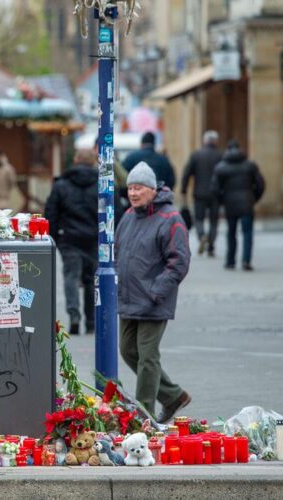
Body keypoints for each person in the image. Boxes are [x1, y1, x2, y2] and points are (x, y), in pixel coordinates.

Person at [116, 162, 191, 423]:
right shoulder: (128, 216)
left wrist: (156, 290)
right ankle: (173, 396)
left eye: (138, 188)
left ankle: (143, 414)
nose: (133, 193)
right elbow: (120, 252)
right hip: (129, 298)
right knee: (127, 351)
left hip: (153, 299)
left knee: (147, 357)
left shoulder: (170, 219)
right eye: (130, 188)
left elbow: (179, 261)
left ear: (152, 189)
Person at [44, 148, 99, 335]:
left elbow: (51, 212)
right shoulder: (103, 184)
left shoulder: (62, 184)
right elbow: (114, 211)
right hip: (94, 239)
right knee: (91, 280)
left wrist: (54, 238)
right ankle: (91, 321)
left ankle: (74, 315)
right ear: (93, 161)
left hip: (69, 238)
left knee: (71, 277)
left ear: (75, 159)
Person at [211, 140, 265, 271]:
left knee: (231, 233)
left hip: (230, 204)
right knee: (247, 233)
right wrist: (254, 198)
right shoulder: (250, 165)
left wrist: (223, 200)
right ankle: (246, 260)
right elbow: (260, 184)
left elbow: (214, 188)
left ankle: (230, 261)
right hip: (247, 203)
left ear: (228, 150)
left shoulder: (221, 167)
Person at [181, 131, 222, 257]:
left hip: (199, 193)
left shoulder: (196, 155)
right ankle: (211, 246)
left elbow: (187, 173)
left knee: (199, 218)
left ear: (204, 141)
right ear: (216, 141)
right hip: (216, 193)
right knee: (214, 220)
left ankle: (202, 236)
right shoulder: (220, 155)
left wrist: (184, 190)